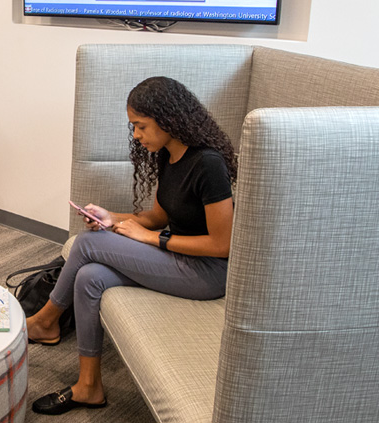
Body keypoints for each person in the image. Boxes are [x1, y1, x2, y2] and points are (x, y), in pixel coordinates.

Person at [27, 76, 237, 415]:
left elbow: (222, 244)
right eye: (134, 128)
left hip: (208, 273)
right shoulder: (169, 157)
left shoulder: (208, 165)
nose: (136, 136)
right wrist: (111, 218)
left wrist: (155, 239)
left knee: (87, 243)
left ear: (168, 121)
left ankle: (44, 321)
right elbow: (156, 218)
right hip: (178, 258)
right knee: (90, 276)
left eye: (141, 126)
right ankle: (89, 386)